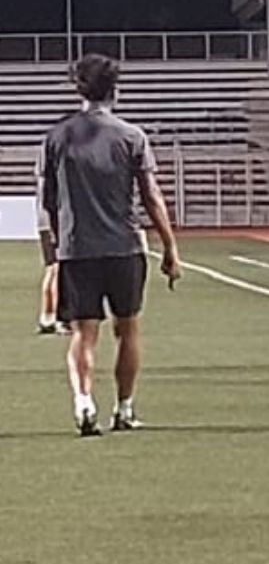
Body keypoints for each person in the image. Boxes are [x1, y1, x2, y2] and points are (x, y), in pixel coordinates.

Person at [38, 54, 182, 436]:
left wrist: (59, 241)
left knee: (84, 333)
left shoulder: (57, 136)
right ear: (115, 89)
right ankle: (124, 408)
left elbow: (49, 199)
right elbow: (151, 196)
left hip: (77, 248)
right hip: (124, 246)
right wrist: (169, 247)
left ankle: (84, 401)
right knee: (128, 329)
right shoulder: (131, 135)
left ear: (77, 89)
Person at [33, 149, 64, 335]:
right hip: (54, 221)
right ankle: (59, 317)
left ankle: (47, 316)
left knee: (51, 269)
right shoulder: (54, 179)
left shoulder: (43, 177)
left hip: (44, 222)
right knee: (58, 270)